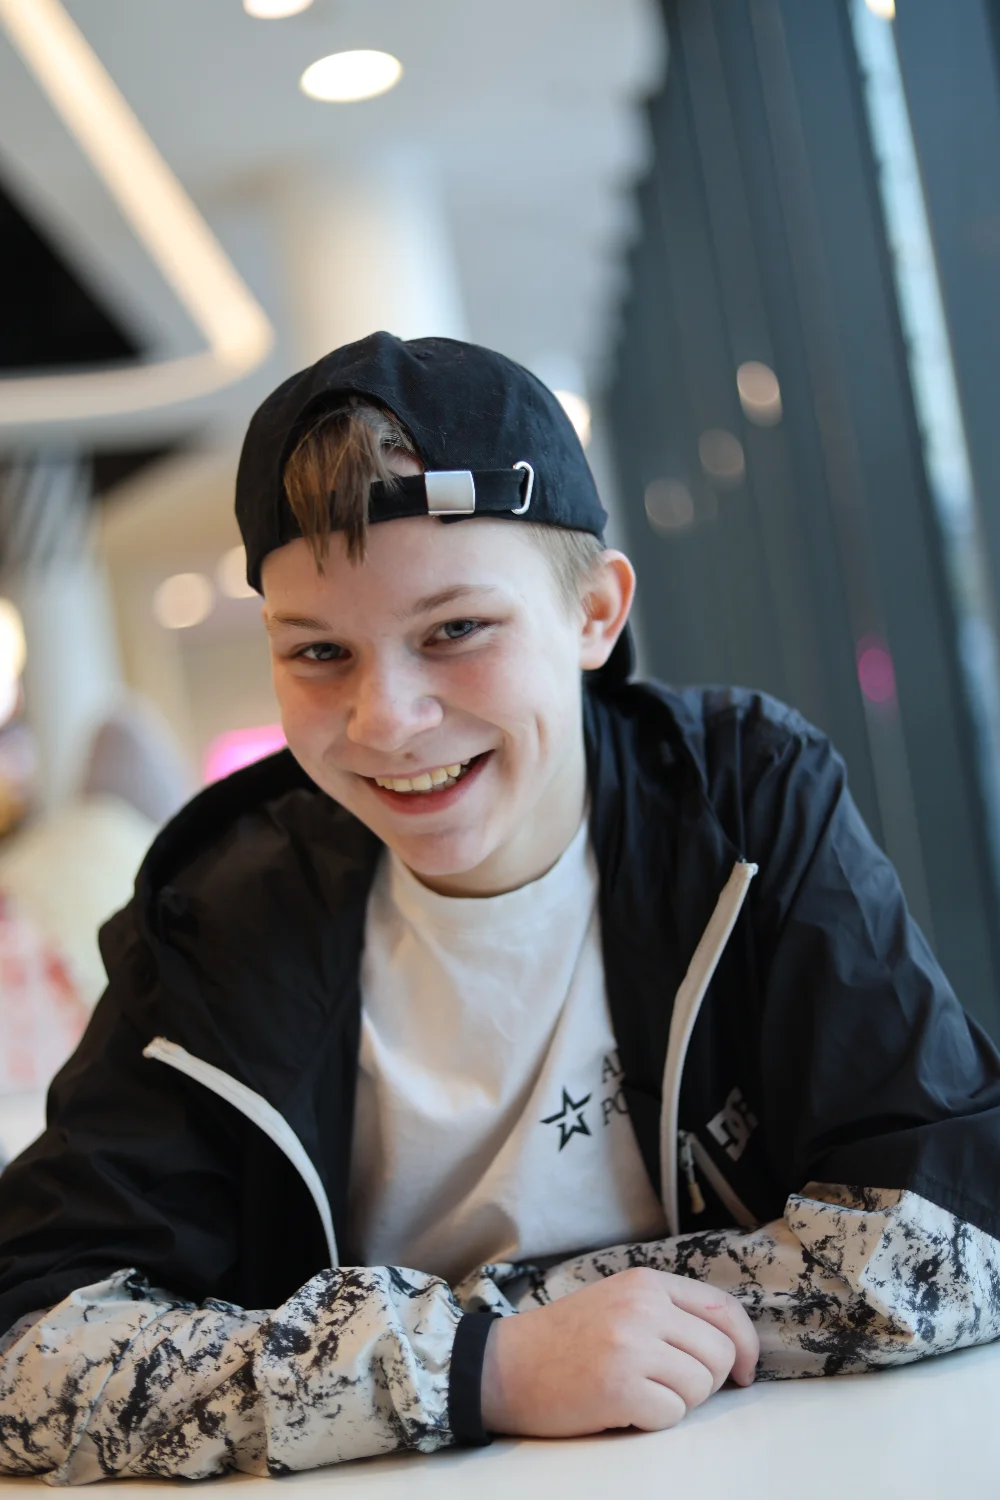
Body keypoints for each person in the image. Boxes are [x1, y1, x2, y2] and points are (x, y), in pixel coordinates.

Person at [1, 332, 999, 1484]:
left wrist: (488, 1331)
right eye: (319, 652)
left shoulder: (741, 801)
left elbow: (954, 1231)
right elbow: (29, 1342)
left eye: (454, 631)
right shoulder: (218, 915)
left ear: (594, 614)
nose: (387, 719)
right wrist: (484, 1364)